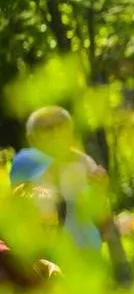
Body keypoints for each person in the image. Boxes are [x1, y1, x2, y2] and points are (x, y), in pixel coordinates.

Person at [10, 107, 111, 256]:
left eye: (61, 126)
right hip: (48, 256)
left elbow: (100, 217)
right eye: (47, 129)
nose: (56, 133)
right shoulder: (24, 161)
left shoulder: (83, 161)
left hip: (87, 252)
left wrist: (100, 191)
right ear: (32, 138)